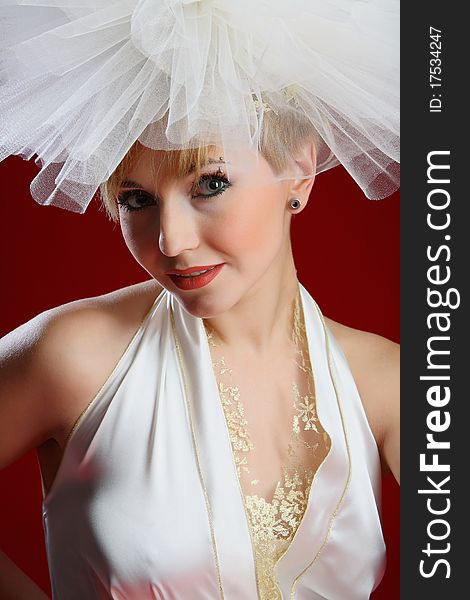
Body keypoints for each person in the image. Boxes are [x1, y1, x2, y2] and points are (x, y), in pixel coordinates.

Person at [0, 1, 399, 598]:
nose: (172, 241)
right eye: (136, 199)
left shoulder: (384, 382)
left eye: (210, 184)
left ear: (299, 168)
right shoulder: (76, 355)